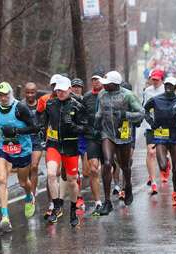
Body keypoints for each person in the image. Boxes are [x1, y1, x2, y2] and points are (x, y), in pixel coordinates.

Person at [0, 82, 38, 232]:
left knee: (23, 183)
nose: (3, 98)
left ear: (11, 94)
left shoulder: (20, 108)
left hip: (22, 150)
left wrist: (16, 131)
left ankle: (29, 197)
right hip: (4, 148)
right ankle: (5, 218)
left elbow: (34, 127)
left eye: (6, 95)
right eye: (0, 95)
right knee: (2, 179)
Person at [95, 71, 144, 215]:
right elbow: (99, 112)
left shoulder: (128, 95)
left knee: (125, 166)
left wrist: (125, 115)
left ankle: (127, 185)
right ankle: (107, 201)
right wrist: (96, 125)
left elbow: (141, 113)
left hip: (123, 134)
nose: (104, 86)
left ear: (114, 84)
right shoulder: (101, 95)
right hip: (107, 133)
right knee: (107, 163)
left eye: (106, 84)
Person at [41, 75, 86, 227]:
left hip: (70, 146)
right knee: (51, 174)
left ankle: (73, 210)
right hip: (53, 145)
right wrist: (42, 133)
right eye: (57, 90)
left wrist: (73, 126)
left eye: (62, 90)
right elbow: (44, 123)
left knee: (72, 181)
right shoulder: (50, 104)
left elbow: (85, 127)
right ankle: (57, 205)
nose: (59, 93)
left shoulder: (77, 106)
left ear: (69, 89)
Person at [145, 77, 176, 205]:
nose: (168, 87)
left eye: (171, 85)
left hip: (175, 136)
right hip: (161, 135)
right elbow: (145, 110)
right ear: (164, 86)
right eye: (166, 85)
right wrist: (151, 122)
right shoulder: (156, 99)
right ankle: (166, 162)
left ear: (175, 87)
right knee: (163, 166)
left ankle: (175, 192)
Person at [82, 71, 105, 215]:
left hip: (108, 137)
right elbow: (81, 115)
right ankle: (98, 202)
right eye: (93, 80)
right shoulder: (87, 97)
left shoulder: (109, 95)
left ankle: (112, 192)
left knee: (109, 167)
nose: (95, 82)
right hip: (91, 137)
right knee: (93, 170)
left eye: (98, 80)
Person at [36, 74, 59, 220]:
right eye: (53, 85)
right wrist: (40, 131)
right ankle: (51, 204)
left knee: (63, 175)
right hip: (50, 141)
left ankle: (66, 201)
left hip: (66, 143)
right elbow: (38, 116)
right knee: (51, 174)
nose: (56, 88)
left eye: (58, 85)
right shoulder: (44, 100)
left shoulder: (69, 100)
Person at [142, 69, 168, 192]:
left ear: (162, 79)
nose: (155, 81)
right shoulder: (147, 91)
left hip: (164, 126)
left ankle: (165, 166)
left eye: (157, 79)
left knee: (163, 153)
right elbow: (144, 108)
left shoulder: (166, 89)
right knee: (151, 153)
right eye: (153, 79)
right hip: (151, 126)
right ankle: (153, 181)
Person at [21, 82, 44, 196]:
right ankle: (29, 187)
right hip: (24, 139)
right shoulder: (20, 105)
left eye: (32, 92)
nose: (30, 95)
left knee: (34, 166)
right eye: (27, 92)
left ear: (36, 92)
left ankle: (32, 195)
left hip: (37, 140)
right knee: (27, 169)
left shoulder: (41, 105)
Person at [70, 78, 87, 211]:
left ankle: (79, 196)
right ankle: (78, 197)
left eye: (78, 87)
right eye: (74, 86)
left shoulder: (85, 100)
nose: (76, 89)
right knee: (76, 172)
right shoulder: (67, 101)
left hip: (83, 138)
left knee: (86, 171)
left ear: (82, 88)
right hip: (70, 139)